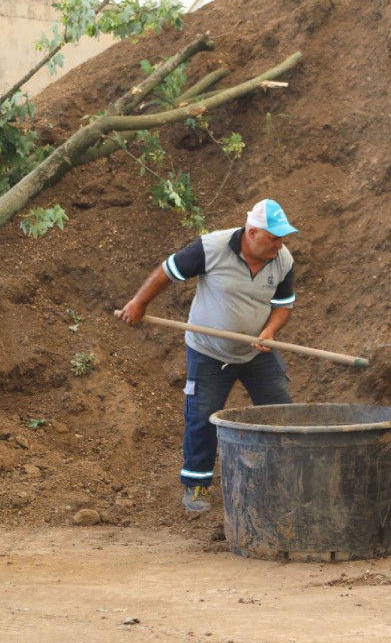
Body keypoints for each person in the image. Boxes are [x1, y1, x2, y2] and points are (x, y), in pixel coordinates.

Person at [118, 198, 299, 514]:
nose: (280, 244)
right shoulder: (211, 248)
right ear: (252, 232)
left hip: (256, 352)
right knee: (202, 417)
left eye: (283, 237)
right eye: (274, 237)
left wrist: (269, 332)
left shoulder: (283, 259)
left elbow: (283, 305)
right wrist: (138, 303)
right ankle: (197, 485)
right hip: (208, 351)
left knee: (281, 411)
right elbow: (167, 271)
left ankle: (288, 478)